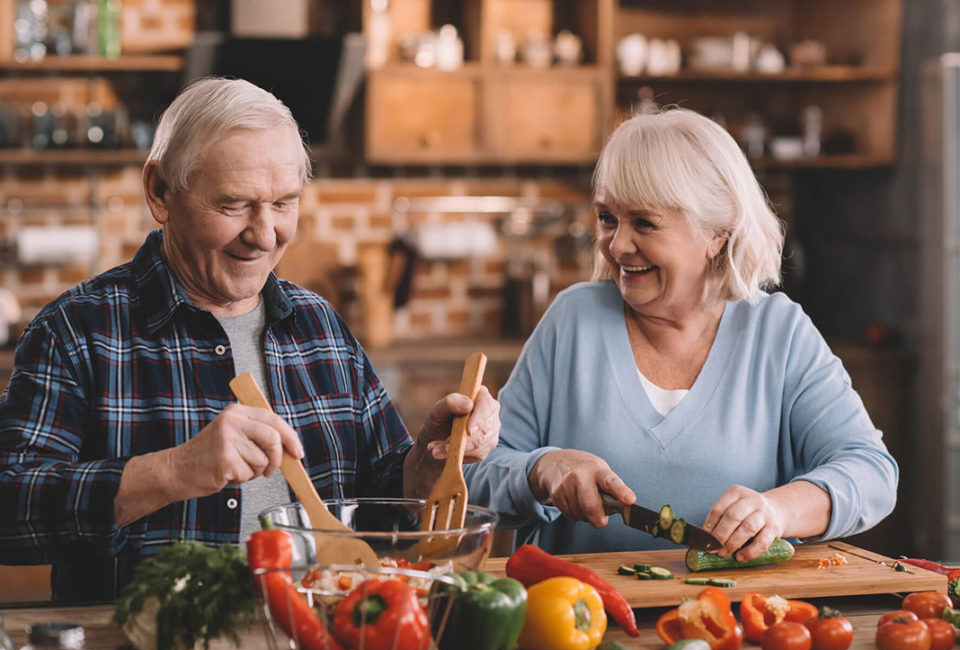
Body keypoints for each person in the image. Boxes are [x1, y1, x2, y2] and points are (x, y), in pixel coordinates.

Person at [0, 78, 499, 603]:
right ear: (161, 192)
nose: (265, 234)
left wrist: (423, 466)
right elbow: (10, 510)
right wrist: (172, 471)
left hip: (319, 649)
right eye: (234, 205)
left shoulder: (320, 328)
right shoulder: (77, 331)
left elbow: (377, 497)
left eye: (284, 203)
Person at [465, 107, 897, 562]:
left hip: (735, 620)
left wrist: (777, 511)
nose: (617, 244)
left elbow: (872, 473)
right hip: (574, 617)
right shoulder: (572, 321)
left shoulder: (778, 333)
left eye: (644, 223)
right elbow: (474, 476)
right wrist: (540, 469)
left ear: (716, 234)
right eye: (608, 218)